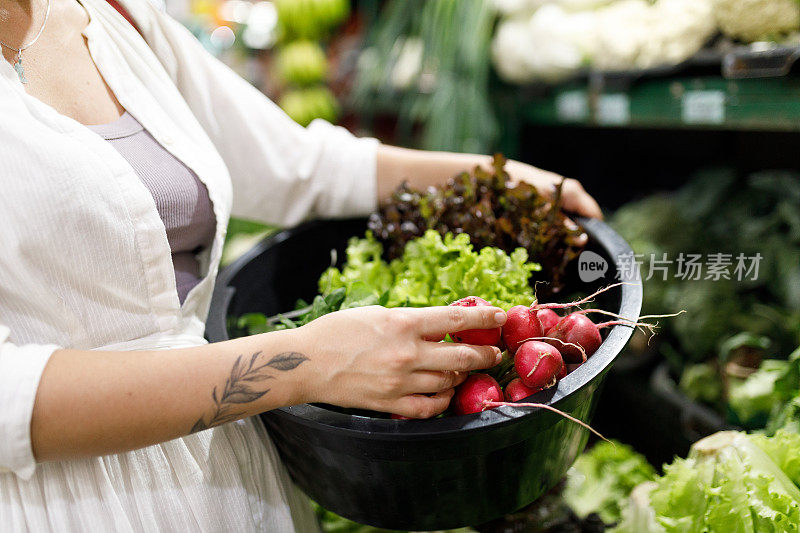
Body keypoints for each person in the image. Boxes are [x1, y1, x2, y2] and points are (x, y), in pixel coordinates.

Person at [0, 0, 602, 530]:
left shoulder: (116, 17)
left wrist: (495, 181)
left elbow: (300, 166)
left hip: (232, 476)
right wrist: (300, 365)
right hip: (63, 503)